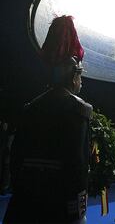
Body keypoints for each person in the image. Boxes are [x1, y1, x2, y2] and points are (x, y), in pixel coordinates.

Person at [3, 15, 92, 223]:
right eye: (80, 77)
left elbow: (15, 158)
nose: (81, 82)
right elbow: (77, 165)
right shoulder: (80, 109)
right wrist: (76, 212)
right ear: (73, 78)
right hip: (58, 204)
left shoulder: (29, 107)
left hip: (26, 201)